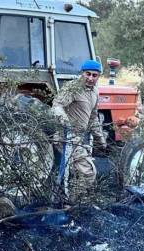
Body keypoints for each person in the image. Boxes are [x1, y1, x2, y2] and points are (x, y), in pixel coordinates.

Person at [51, 59, 108, 201]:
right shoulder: (73, 88)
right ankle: (72, 203)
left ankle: (69, 199)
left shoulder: (95, 92)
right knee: (88, 173)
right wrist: (65, 123)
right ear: (82, 73)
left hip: (79, 138)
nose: (90, 78)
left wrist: (100, 139)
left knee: (75, 173)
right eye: (87, 74)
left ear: (98, 76)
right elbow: (57, 105)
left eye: (94, 75)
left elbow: (93, 118)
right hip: (66, 137)